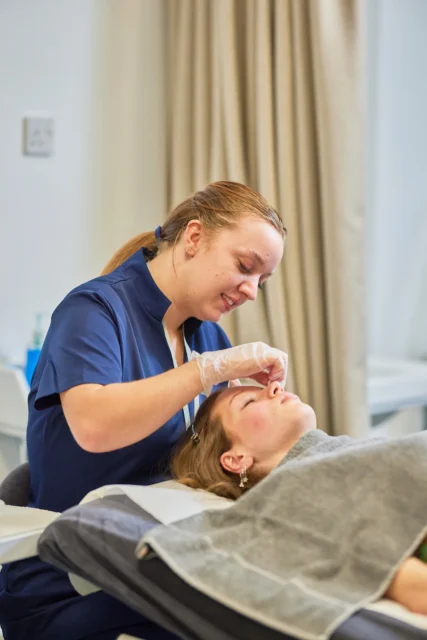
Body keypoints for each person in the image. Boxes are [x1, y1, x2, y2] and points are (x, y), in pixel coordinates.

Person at [0, 181, 289, 640]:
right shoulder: (94, 311)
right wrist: (211, 371)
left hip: (160, 560)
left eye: (262, 280)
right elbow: (94, 426)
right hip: (71, 581)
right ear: (194, 238)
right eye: (245, 266)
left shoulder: (205, 335)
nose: (252, 290)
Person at [171, 381, 427, 616]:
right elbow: (411, 585)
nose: (273, 387)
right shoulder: (296, 498)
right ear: (236, 459)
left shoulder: (344, 457)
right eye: (248, 402)